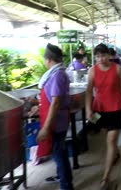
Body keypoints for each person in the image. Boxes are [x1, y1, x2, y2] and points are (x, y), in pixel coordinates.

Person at [85, 44, 121, 189]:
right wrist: (88, 110)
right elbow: (88, 92)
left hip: (116, 107)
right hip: (100, 109)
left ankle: (105, 178)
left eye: (103, 55)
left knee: (111, 140)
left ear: (109, 55)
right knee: (108, 137)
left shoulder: (117, 68)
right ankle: (116, 154)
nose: (100, 59)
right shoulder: (92, 71)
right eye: (97, 56)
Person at [36, 43, 74, 190]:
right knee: (60, 152)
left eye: (45, 60)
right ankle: (62, 177)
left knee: (59, 154)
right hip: (57, 120)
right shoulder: (57, 73)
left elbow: (56, 102)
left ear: (48, 60)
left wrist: (45, 128)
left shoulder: (57, 75)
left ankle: (66, 185)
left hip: (56, 122)